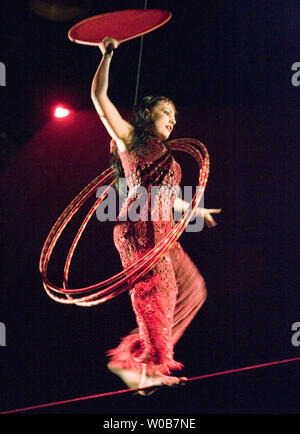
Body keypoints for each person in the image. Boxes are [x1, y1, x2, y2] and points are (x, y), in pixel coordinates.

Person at [91, 38, 221, 395]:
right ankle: (146, 367)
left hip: (164, 232)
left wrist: (196, 208)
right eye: (167, 113)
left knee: (193, 289)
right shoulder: (130, 138)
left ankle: (144, 361)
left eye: (176, 117)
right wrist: (107, 56)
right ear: (147, 114)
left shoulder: (169, 158)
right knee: (157, 294)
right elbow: (100, 102)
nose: (173, 120)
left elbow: (164, 194)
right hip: (140, 231)